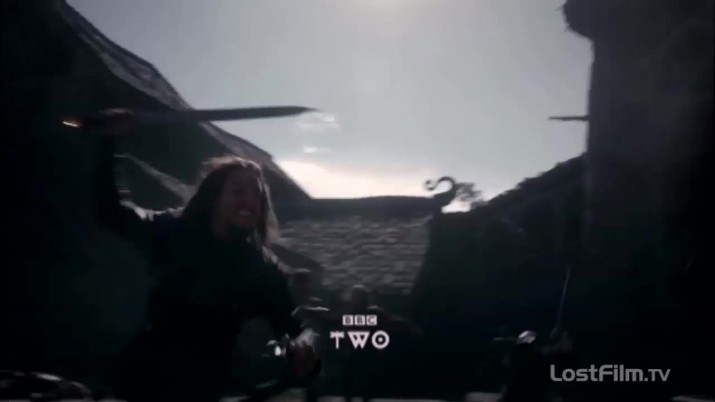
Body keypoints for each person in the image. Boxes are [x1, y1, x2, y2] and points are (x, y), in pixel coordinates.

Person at [88, 110, 318, 402]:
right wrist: (109, 144)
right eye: (239, 191)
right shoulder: (173, 231)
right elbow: (113, 211)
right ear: (214, 198)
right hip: (140, 383)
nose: (249, 201)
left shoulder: (262, 267)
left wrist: (303, 344)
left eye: (256, 195)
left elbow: (294, 325)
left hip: (203, 390)